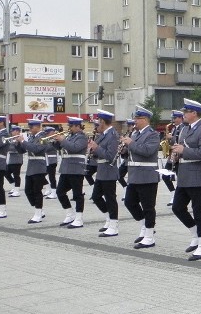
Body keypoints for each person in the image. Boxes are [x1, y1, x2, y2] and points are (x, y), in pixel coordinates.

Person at [170, 99, 201, 259]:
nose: (183, 115)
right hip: (185, 174)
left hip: (198, 176)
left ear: (194, 113)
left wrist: (184, 151)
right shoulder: (185, 129)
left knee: (199, 211)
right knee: (177, 207)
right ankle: (195, 234)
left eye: (186, 112)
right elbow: (184, 148)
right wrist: (176, 154)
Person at [122, 106, 161, 249]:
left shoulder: (153, 134)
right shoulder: (135, 134)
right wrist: (124, 149)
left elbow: (147, 151)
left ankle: (149, 236)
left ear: (145, 119)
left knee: (148, 207)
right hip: (134, 175)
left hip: (147, 175)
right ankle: (144, 226)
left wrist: (131, 144)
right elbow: (133, 152)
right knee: (129, 202)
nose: (134, 121)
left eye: (137, 119)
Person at [88, 109, 120, 237]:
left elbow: (110, 156)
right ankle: (109, 218)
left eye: (98, 121)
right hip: (102, 170)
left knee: (110, 198)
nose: (97, 124)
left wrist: (96, 148)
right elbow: (100, 153)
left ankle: (114, 225)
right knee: (96, 197)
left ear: (103, 122)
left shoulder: (113, 135)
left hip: (109, 170)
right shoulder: (103, 135)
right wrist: (92, 150)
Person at [54, 117, 89, 228]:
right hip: (66, 168)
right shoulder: (71, 136)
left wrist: (62, 140)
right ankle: (70, 214)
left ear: (78, 126)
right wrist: (56, 141)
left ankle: (79, 218)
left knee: (77, 194)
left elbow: (74, 148)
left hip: (76, 168)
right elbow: (61, 147)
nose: (69, 128)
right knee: (60, 192)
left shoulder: (82, 137)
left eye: (71, 126)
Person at [15, 119, 50, 224]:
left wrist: (23, 141)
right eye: (29, 127)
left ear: (37, 127)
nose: (29, 130)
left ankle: (38, 214)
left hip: (39, 167)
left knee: (37, 191)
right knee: (27, 191)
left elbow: (36, 149)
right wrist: (18, 144)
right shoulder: (32, 137)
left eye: (31, 127)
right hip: (31, 167)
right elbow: (23, 151)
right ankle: (39, 209)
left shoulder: (44, 137)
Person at [5, 125, 25, 196]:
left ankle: (17, 190)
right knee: (6, 173)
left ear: (17, 131)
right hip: (10, 159)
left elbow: (17, 148)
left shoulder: (20, 138)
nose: (11, 132)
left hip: (17, 159)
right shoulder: (11, 138)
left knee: (16, 175)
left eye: (13, 131)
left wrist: (8, 147)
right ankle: (14, 186)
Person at [43, 126, 59, 199]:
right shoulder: (47, 139)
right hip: (46, 160)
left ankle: (54, 192)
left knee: (51, 177)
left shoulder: (54, 140)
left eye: (48, 133)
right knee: (42, 175)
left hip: (52, 160)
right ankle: (48, 188)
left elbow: (48, 148)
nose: (46, 135)